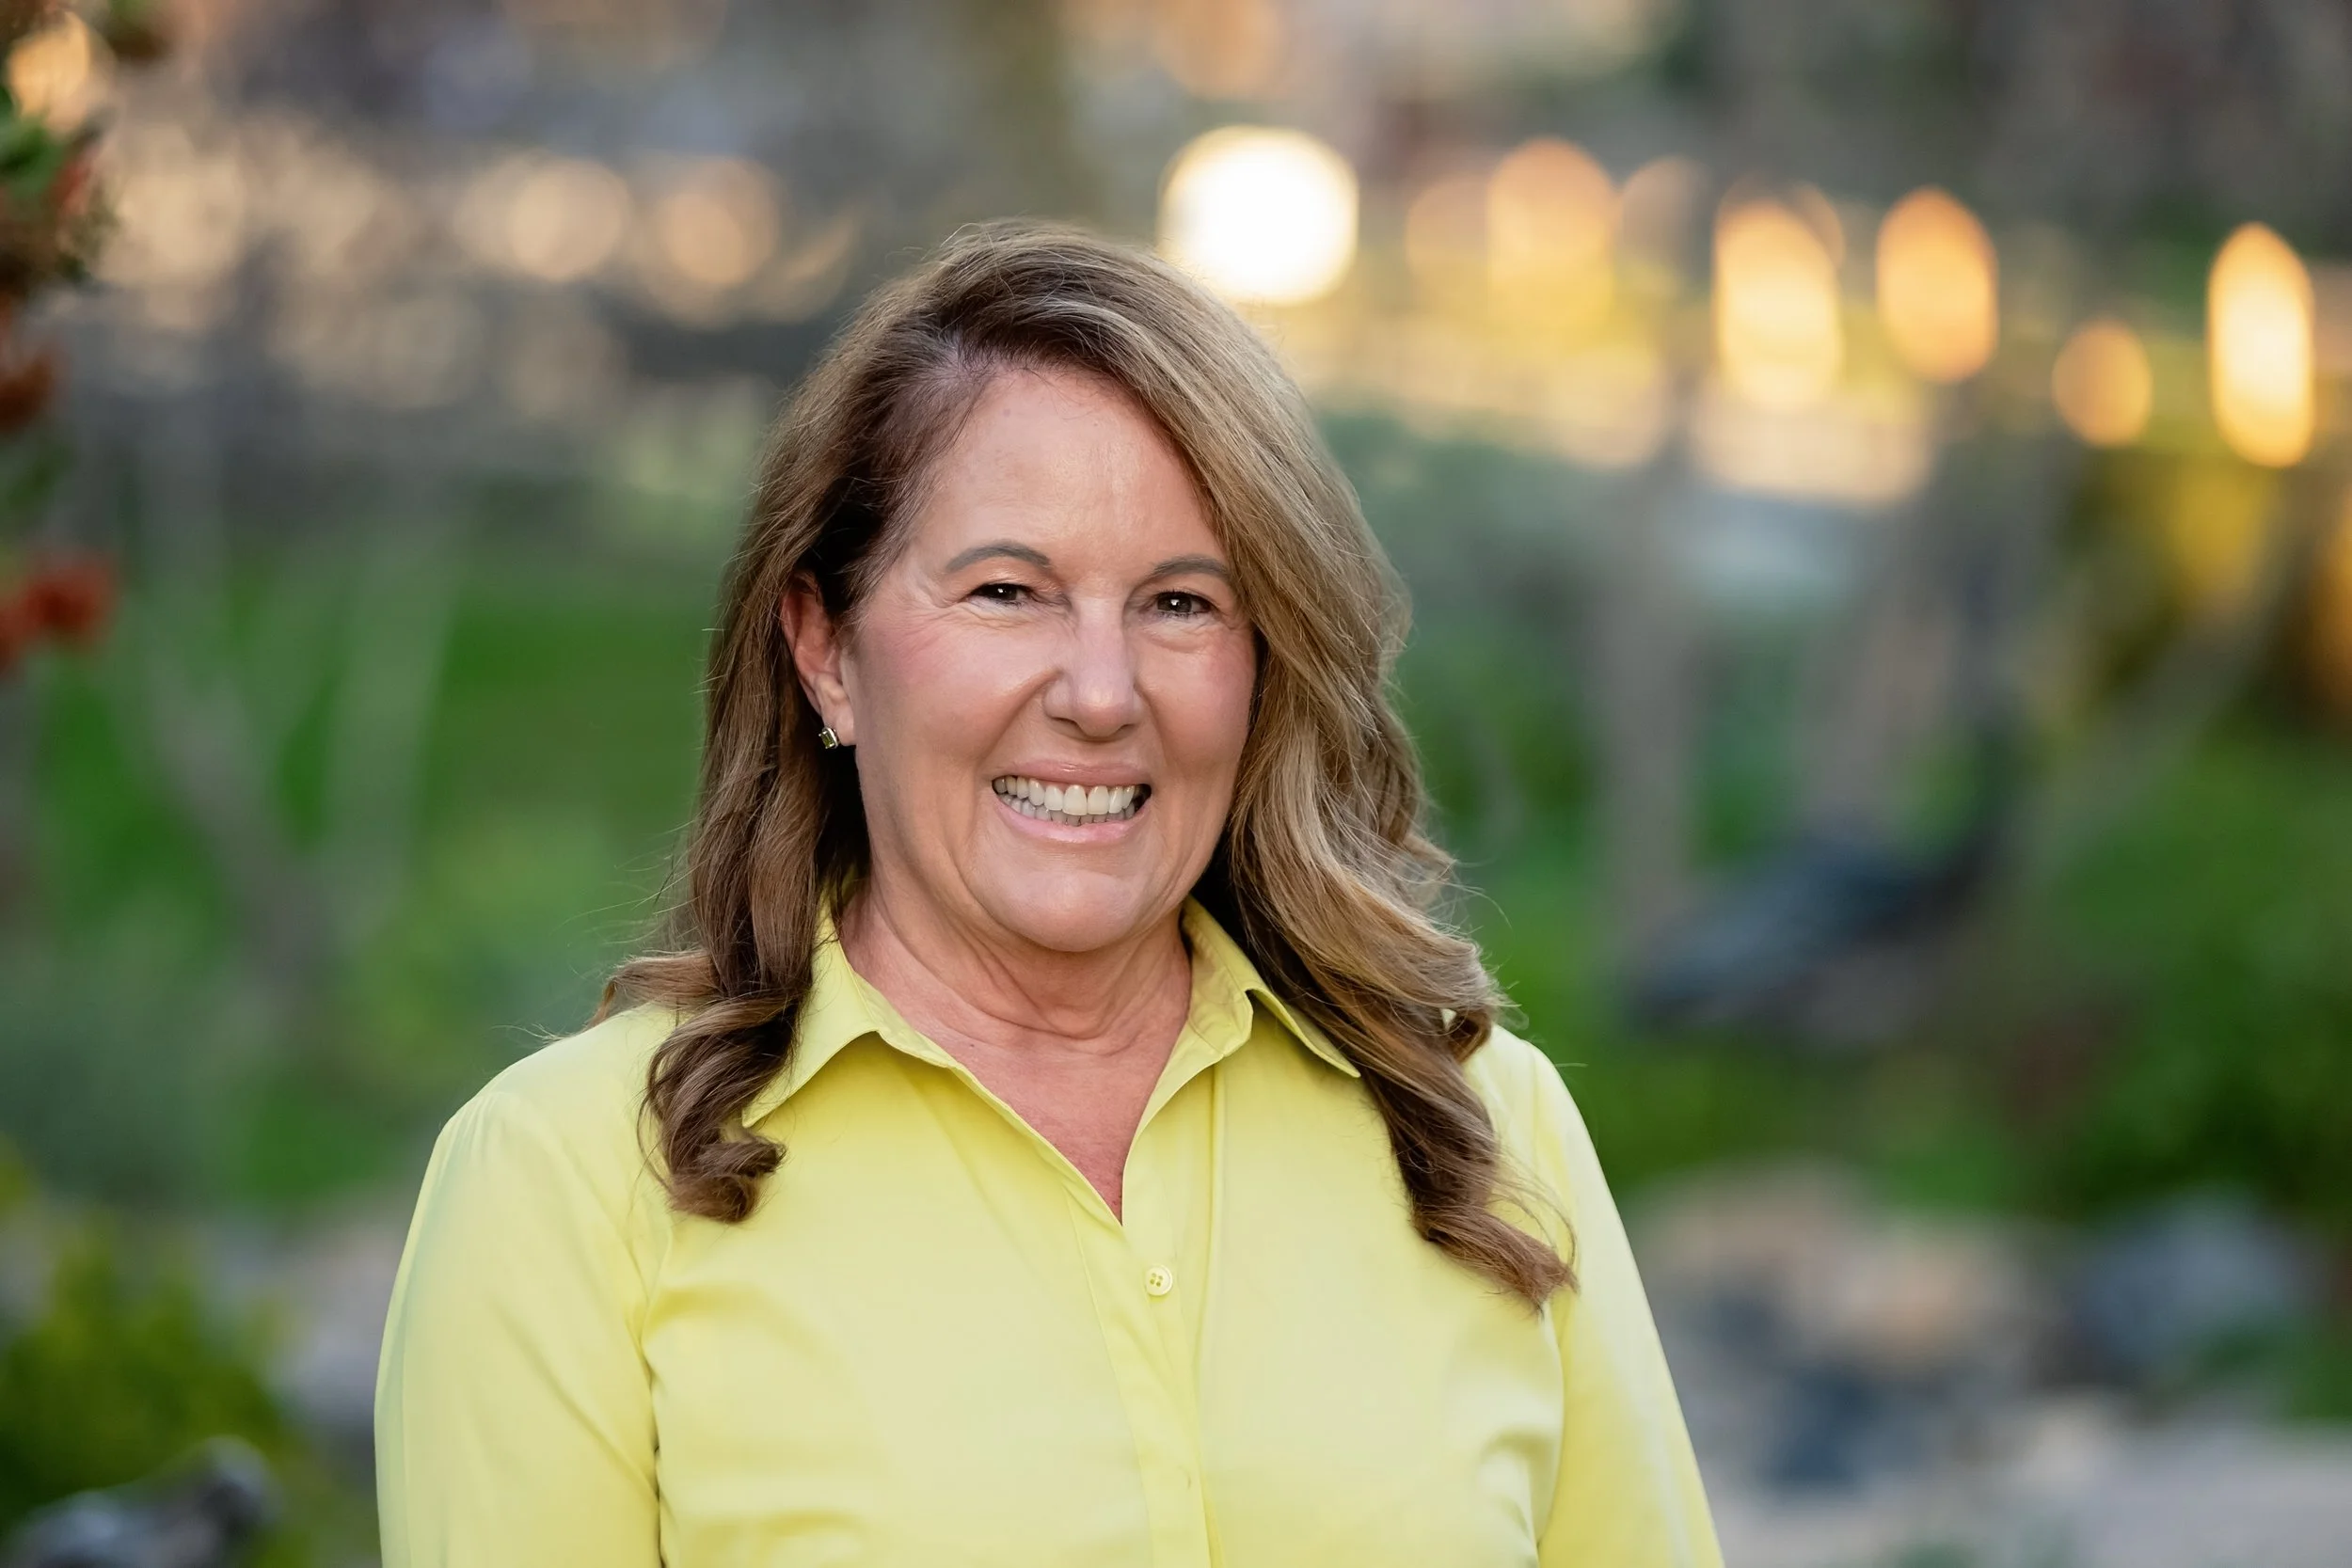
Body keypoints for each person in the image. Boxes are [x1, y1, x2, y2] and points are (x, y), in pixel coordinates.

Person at [373, 223, 1721, 1568]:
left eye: (1182, 603)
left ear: (1268, 659)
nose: (1098, 691)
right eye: (1008, 590)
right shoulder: (569, 1184)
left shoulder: (1485, 1134)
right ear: (824, 647)